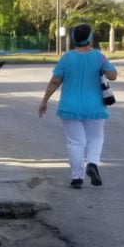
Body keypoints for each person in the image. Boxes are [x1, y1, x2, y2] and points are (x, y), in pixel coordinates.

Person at [37, 23, 118, 189]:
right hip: (95, 107)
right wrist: (102, 68)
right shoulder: (99, 56)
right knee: (95, 138)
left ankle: (77, 177)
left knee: (75, 142)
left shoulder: (66, 58)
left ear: (74, 38)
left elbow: (55, 81)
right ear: (90, 38)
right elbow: (113, 75)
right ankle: (92, 163)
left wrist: (45, 100)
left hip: (70, 107)